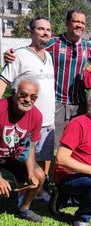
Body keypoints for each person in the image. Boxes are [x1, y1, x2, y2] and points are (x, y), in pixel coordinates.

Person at [4, 9, 91, 147]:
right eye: (75, 21)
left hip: (80, 104)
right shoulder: (53, 42)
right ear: (67, 23)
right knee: (52, 144)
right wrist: (10, 54)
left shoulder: (87, 47)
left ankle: (72, 169)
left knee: (78, 143)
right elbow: (32, 49)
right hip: (57, 103)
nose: (79, 25)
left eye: (82, 22)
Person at [0, 14, 55, 201]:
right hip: (25, 123)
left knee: (43, 157)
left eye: (48, 29)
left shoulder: (49, 56)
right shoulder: (19, 55)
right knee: (21, 160)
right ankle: (21, 194)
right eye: (40, 29)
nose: (45, 32)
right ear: (31, 31)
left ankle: (39, 190)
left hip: (47, 120)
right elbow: (3, 81)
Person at [50, 85, 91, 226]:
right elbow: (61, 159)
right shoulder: (77, 124)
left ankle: (64, 198)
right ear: (89, 103)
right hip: (68, 175)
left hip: (89, 175)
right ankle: (82, 219)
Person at [0, 76, 45, 222]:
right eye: (23, 95)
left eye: (33, 97)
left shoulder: (37, 115)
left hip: (13, 155)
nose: (27, 100)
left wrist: (31, 173)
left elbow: (31, 146)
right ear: (13, 92)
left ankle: (23, 209)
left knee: (39, 177)